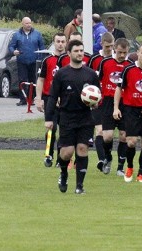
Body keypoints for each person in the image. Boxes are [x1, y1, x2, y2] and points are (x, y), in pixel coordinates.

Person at [45, 39, 100, 194]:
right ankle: (63, 174)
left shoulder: (90, 74)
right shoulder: (62, 74)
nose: (80, 53)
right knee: (66, 153)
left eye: (81, 50)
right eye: (76, 51)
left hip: (85, 118)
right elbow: (52, 97)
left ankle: (79, 186)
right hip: (67, 117)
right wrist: (49, 119)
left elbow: (97, 95)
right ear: (69, 53)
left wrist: (95, 103)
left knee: (82, 149)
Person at [114, 41, 142, 183]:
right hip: (131, 109)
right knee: (132, 142)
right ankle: (130, 167)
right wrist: (116, 108)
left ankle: (141, 173)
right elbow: (119, 89)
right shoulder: (128, 70)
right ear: (137, 53)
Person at [97, 38, 131, 176]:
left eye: (125, 52)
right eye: (119, 52)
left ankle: (120, 167)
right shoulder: (105, 62)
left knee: (124, 136)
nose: (122, 55)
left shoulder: (129, 66)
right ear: (114, 49)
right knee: (107, 137)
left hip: (125, 103)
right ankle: (108, 156)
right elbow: (98, 80)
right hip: (107, 102)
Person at [35, 32, 67, 167]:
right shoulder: (47, 60)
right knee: (51, 128)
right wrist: (38, 98)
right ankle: (48, 154)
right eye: (58, 41)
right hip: (50, 99)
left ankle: (61, 158)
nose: (60, 44)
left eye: (62, 42)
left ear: (66, 43)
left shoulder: (69, 60)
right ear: (54, 43)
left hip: (66, 99)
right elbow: (41, 80)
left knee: (65, 130)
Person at [89, 32, 115, 161]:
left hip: (114, 101)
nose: (110, 49)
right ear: (101, 44)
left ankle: (109, 156)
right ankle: (102, 160)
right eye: (107, 46)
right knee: (99, 131)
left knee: (110, 135)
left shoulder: (117, 59)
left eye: (111, 46)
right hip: (98, 100)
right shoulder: (94, 59)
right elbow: (88, 77)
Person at [8, 17, 45, 106]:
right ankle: (23, 99)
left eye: (30, 23)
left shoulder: (37, 34)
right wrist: (14, 51)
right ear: (22, 24)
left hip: (34, 61)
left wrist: (40, 58)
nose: (29, 25)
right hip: (22, 61)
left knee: (33, 80)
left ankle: (31, 99)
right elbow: (11, 46)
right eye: (27, 23)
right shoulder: (17, 35)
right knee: (22, 80)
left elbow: (42, 47)